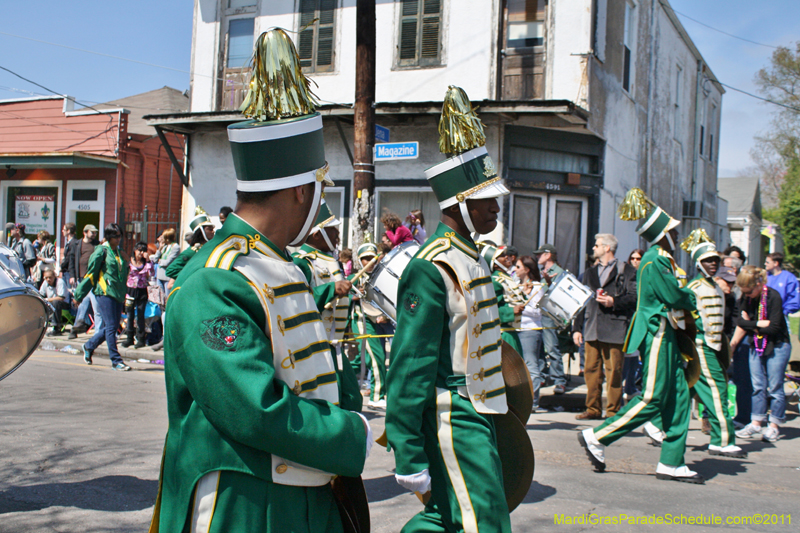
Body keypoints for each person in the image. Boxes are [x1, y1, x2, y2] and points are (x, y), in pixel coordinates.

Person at [150, 29, 369, 531]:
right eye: (317, 188)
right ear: (298, 190)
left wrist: (351, 408)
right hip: (245, 500)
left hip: (308, 491)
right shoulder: (215, 279)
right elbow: (255, 410)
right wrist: (350, 433)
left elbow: (316, 370)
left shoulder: (279, 262)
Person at [386, 85, 513, 533]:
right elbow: (411, 362)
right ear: (460, 203)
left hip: (481, 408)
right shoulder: (432, 263)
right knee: (485, 523)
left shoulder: (470, 256)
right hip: (452, 414)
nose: (496, 208)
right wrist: (406, 445)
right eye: (487, 200)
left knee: (446, 518)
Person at [578, 188, 703, 483]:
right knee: (652, 396)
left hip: (668, 332)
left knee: (679, 395)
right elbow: (672, 295)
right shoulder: (656, 258)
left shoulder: (659, 258)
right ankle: (598, 436)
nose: (676, 235)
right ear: (663, 235)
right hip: (658, 331)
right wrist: (691, 296)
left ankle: (671, 461)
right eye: (672, 230)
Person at [679, 230, 746, 457]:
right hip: (700, 346)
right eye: (707, 261)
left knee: (686, 391)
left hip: (715, 345)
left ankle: (661, 427)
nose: (712, 264)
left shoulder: (716, 286)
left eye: (715, 261)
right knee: (718, 391)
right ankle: (723, 440)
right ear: (698, 263)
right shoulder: (694, 288)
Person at [572, 234, 637, 420]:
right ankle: (592, 408)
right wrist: (576, 328)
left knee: (614, 371)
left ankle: (613, 411)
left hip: (615, 328)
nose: (593, 248)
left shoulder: (626, 270)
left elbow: (634, 297)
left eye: (597, 245)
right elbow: (580, 301)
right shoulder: (589, 272)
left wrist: (613, 301)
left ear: (607, 248)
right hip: (592, 327)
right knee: (591, 370)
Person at [732, 266, 792, 443]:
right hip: (756, 344)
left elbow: (774, 327)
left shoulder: (773, 296)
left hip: (778, 345)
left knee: (775, 387)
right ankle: (756, 421)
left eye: (749, 291)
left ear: (759, 284)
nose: (747, 295)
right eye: (745, 292)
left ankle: (773, 425)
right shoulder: (746, 298)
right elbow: (740, 321)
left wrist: (751, 323)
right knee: (757, 385)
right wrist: (758, 324)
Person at [75, 223, 131, 371]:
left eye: (120, 236)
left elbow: (124, 272)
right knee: (112, 326)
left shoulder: (119, 252)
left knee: (111, 326)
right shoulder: (101, 251)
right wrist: (79, 294)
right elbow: (91, 274)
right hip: (104, 292)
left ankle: (89, 346)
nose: (119, 239)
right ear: (109, 237)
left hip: (118, 293)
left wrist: (127, 261)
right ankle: (116, 360)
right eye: (116, 236)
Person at [349, 242, 389, 409]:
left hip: (380, 321)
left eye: (372, 258)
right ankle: (376, 396)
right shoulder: (355, 277)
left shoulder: (384, 276)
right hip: (362, 321)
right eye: (365, 259)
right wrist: (354, 295)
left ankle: (338, 377)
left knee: (361, 360)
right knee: (377, 357)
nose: (369, 262)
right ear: (359, 260)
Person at [533, 243, 567, 394]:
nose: (537, 257)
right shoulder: (540, 271)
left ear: (548, 255)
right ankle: (542, 375)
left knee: (551, 347)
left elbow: (560, 293)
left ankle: (559, 380)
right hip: (538, 313)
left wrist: (548, 282)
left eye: (540, 254)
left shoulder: (558, 272)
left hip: (549, 313)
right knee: (539, 348)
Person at [481, 244, 524, 356]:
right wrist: (511, 311)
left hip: (510, 332)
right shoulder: (494, 281)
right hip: (501, 334)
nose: (507, 257)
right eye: (502, 256)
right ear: (494, 263)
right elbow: (487, 310)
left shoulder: (506, 278)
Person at [516, 255, 546, 411]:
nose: (515, 270)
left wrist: (526, 297)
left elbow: (536, 311)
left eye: (518, 267)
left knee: (531, 365)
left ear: (527, 269)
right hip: (516, 328)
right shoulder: (516, 284)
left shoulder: (537, 287)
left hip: (530, 329)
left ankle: (532, 401)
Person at [164, 207, 216, 281]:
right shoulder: (192, 251)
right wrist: (192, 277)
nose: (213, 232)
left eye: (213, 229)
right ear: (201, 231)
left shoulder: (210, 248)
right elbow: (171, 270)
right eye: (210, 229)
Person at [68, 224, 101, 338]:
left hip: (92, 278)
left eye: (95, 232)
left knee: (85, 301)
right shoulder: (77, 244)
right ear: (85, 232)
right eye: (92, 232)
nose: (94, 234)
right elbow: (71, 261)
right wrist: (72, 275)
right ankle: (79, 324)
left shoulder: (97, 245)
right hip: (81, 278)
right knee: (83, 301)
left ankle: (78, 324)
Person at [622, 248, 645, 400]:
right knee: (627, 355)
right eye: (633, 258)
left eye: (638, 258)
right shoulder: (625, 275)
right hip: (627, 319)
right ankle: (626, 386)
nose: (635, 261)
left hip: (639, 319)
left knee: (635, 356)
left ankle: (630, 386)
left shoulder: (644, 275)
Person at [121, 242, 153, 349]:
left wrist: (148, 260)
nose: (140, 253)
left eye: (143, 250)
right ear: (134, 250)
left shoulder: (146, 263)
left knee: (140, 315)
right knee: (129, 315)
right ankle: (129, 338)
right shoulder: (129, 262)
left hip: (142, 290)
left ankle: (140, 339)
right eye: (139, 250)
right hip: (130, 290)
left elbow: (152, 273)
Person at [765, 252, 800, 333]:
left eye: (767, 262)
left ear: (776, 263)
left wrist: (784, 311)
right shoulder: (764, 277)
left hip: (781, 317)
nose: (765, 264)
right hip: (764, 316)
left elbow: (795, 298)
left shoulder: (789, 278)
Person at [39, 267, 71, 336]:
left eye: (50, 277)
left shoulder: (60, 282)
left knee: (56, 302)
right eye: (46, 278)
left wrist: (47, 300)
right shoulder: (45, 283)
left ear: (54, 276)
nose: (48, 279)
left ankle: (57, 327)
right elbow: (41, 294)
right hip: (51, 304)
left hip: (64, 304)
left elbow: (61, 298)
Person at [60, 222, 77, 287]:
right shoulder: (68, 243)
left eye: (64, 230)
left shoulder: (73, 243)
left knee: (68, 292)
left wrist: (62, 265)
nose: (62, 231)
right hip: (65, 271)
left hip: (69, 272)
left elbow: (70, 258)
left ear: (68, 231)